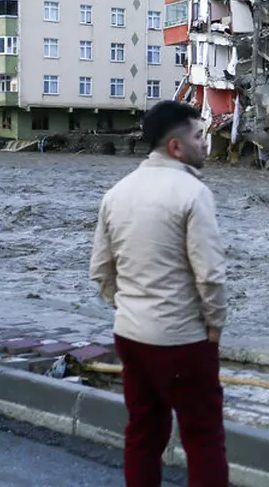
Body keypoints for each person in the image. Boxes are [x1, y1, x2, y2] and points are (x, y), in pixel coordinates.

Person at [90, 101, 228, 487]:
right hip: (182, 339)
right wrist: (214, 325)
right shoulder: (192, 193)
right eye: (199, 136)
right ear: (176, 147)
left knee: (143, 435)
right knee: (203, 439)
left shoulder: (117, 193)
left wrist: (129, 306)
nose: (205, 144)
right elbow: (210, 274)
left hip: (131, 335)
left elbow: (100, 270)